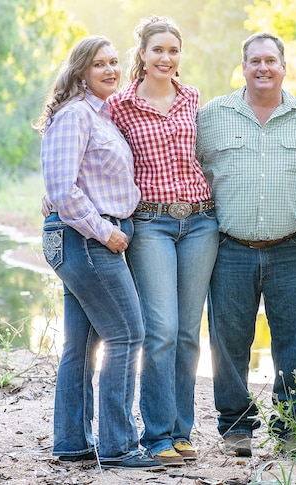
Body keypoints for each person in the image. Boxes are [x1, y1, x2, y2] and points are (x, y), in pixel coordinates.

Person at [36, 35, 163, 471]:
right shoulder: (75, 115)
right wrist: (105, 232)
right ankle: (118, 444)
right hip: (86, 238)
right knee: (128, 334)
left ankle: (72, 440)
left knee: (82, 343)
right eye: (98, 64)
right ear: (80, 72)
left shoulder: (102, 115)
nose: (110, 70)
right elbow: (62, 191)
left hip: (88, 237)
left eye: (113, 62)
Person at [195, 32, 296, 457]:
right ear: (243, 66)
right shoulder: (213, 116)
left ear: (284, 66)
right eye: (255, 61)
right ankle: (235, 427)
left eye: (271, 60)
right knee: (228, 340)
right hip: (230, 247)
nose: (263, 67)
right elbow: (188, 168)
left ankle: (290, 425)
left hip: (291, 247)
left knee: (295, 340)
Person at [107, 16, 217, 467]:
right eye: (158, 50)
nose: (166, 58)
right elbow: (91, 146)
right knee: (161, 331)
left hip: (200, 223)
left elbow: (207, 157)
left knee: (189, 333)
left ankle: (180, 431)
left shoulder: (192, 97)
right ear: (142, 53)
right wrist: (54, 190)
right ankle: (155, 436)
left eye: (173, 50)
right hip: (149, 224)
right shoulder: (119, 105)